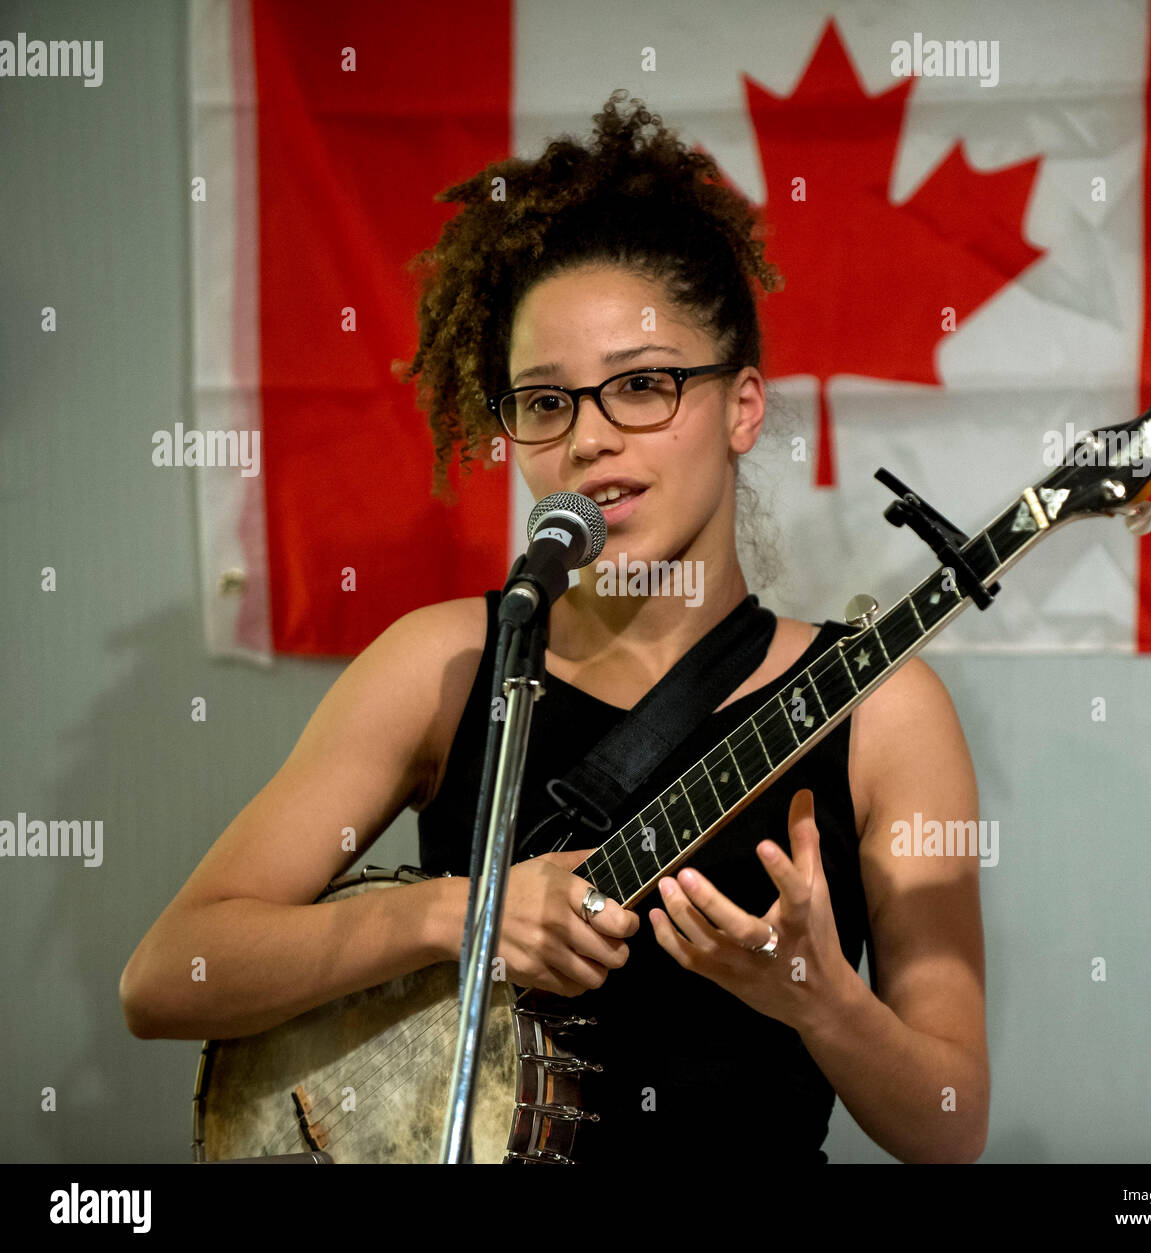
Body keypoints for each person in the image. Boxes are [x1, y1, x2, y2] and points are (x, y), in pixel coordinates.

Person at [120, 90, 988, 1164]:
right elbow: (167, 976)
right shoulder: (441, 662)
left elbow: (951, 1128)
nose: (587, 438)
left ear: (742, 408)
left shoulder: (885, 706)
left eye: (642, 387)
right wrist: (465, 913)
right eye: (544, 400)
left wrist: (822, 1000)